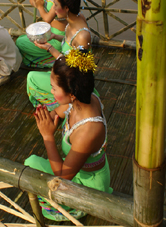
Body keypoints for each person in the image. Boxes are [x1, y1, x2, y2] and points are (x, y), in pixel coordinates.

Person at [24, 47, 112, 221]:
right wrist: (46, 118)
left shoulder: (88, 131)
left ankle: (70, 210)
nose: (51, 92)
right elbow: (59, 112)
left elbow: (63, 178)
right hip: (77, 168)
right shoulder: (83, 96)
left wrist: (48, 136)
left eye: (54, 89)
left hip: (88, 185)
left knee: (31, 163)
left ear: (71, 93)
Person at [26, 0, 93, 110]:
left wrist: (50, 48)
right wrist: (55, 36)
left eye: (56, 5)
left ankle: (65, 107)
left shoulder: (83, 36)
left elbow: (75, 71)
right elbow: (69, 41)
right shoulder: (76, 17)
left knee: (31, 78)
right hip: (65, 73)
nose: (53, 8)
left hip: (72, 85)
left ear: (66, 7)